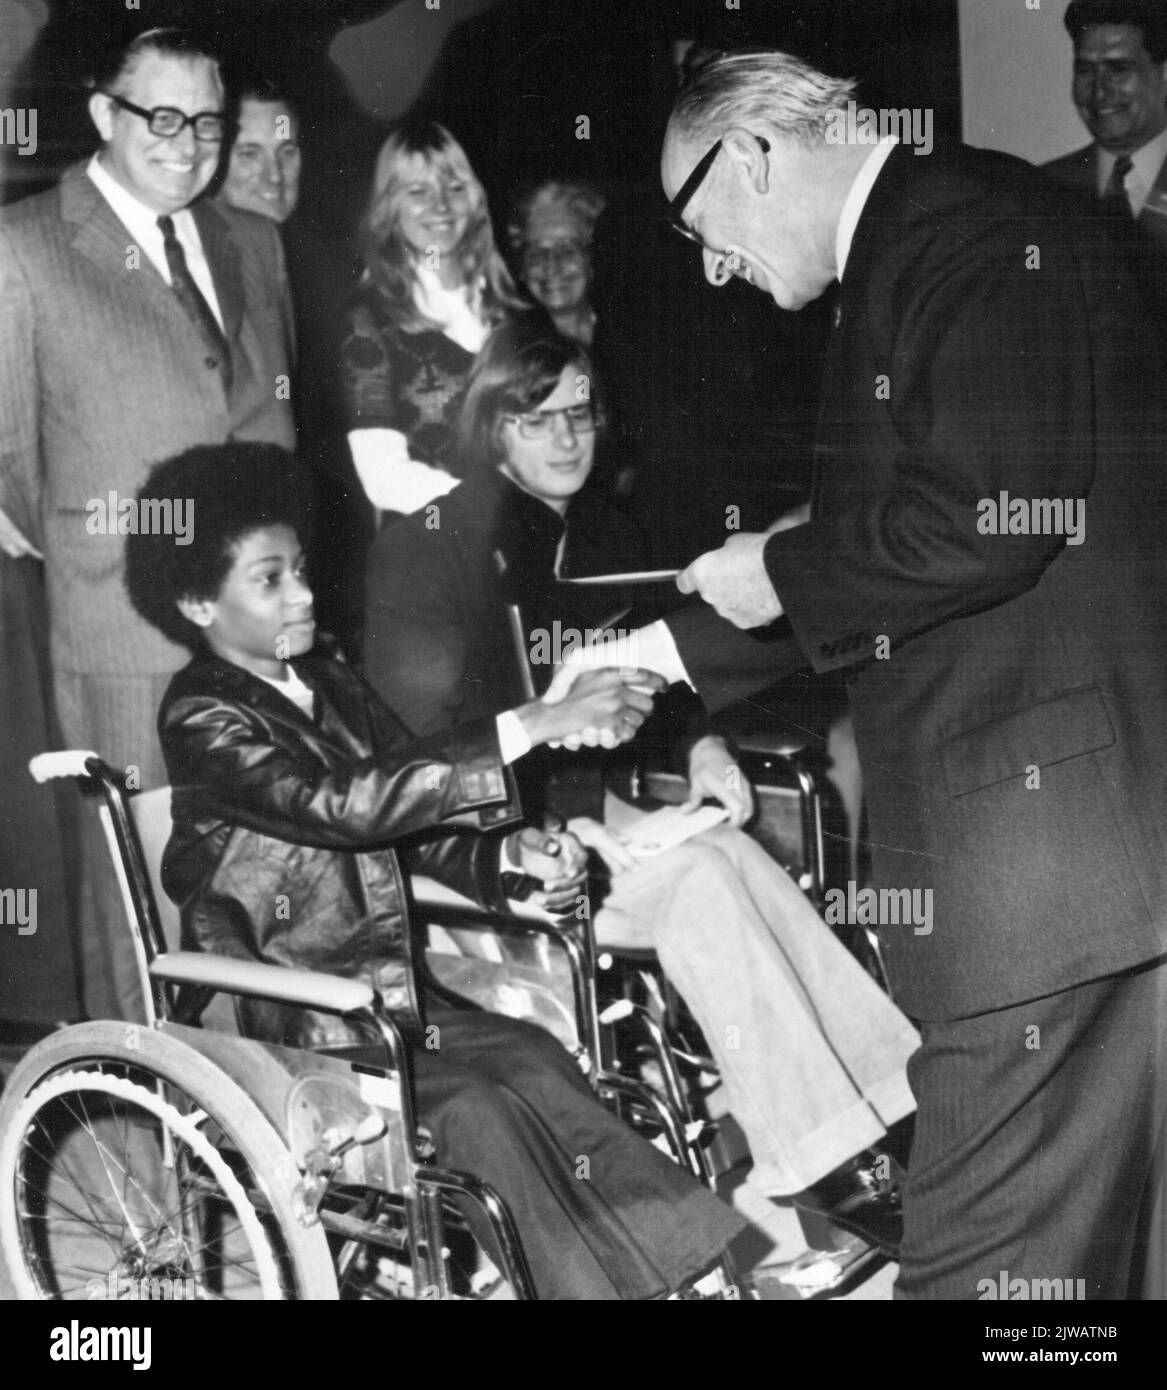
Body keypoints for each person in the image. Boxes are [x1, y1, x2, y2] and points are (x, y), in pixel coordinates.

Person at [564, 47, 1167, 1300]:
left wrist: (784, 574)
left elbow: (996, 516)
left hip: (1042, 858)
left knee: (981, 1264)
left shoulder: (967, 230)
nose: (714, 266)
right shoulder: (947, 228)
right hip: (1079, 842)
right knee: (1075, 1269)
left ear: (761, 154)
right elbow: (941, 509)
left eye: (699, 225)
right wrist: (759, 580)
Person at [122, 438, 744, 1301]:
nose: (302, 591)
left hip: (382, 1004)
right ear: (196, 601)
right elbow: (340, 805)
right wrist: (528, 722)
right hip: (289, 1024)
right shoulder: (201, 714)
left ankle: (681, 1269)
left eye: (299, 568)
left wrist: (510, 859)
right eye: (269, 580)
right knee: (474, 1112)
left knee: (532, 1059)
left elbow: (411, 818)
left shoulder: (328, 682)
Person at [364, 317, 919, 1258]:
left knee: (733, 854)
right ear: (489, 426)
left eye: (580, 412)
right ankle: (824, 1175)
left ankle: (896, 1110)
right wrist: (547, 734)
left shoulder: (602, 529)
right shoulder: (430, 547)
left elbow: (651, 669)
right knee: (706, 881)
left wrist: (701, 744)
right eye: (537, 420)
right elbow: (418, 754)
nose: (568, 437)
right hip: (485, 850)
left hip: (593, 818)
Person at [0, 26, 295, 1021]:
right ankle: (152, 1159)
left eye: (207, 121)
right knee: (148, 937)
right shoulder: (25, 249)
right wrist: (106, 552)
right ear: (102, 116)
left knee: (268, 908)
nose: (188, 142)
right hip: (127, 645)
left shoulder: (253, 239)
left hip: (263, 641)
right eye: (160, 117)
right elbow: (9, 462)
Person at [217, 67, 365, 654]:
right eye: (249, 153)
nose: (274, 176)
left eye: (286, 150)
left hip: (335, 550)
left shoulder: (335, 262)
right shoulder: (194, 275)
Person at [339, 120, 524, 521]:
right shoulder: (369, 320)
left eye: (455, 188)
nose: (441, 206)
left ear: (475, 200)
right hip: (430, 546)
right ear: (389, 208)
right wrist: (497, 509)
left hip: (524, 540)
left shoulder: (515, 309)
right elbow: (383, 476)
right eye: (418, 192)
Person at [1044, 1, 1167, 246]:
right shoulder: (1043, 189)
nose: (1099, 92)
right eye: (1085, 70)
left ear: (1163, 74)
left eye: (1118, 68)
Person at [508, 180, 605, 346]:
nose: (551, 267)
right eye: (536, 254)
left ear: (591, 257)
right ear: (522, 268)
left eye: (567, 251)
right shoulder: (510, 349)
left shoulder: (630, 335)